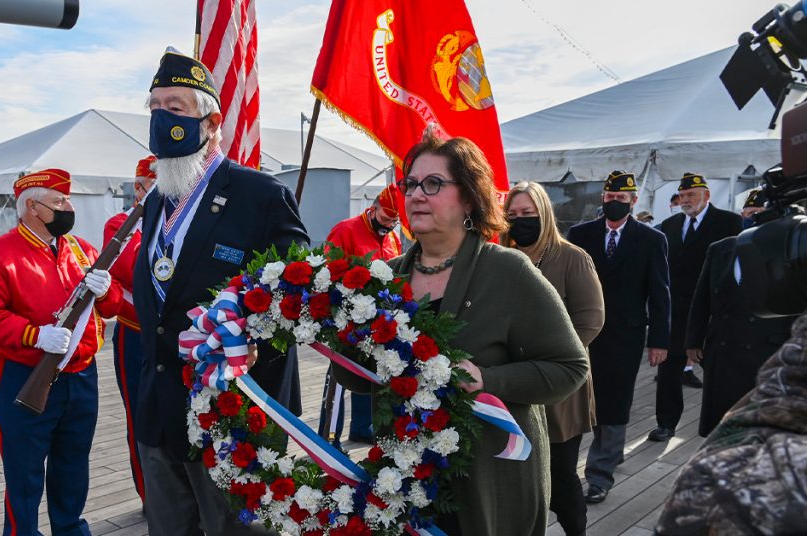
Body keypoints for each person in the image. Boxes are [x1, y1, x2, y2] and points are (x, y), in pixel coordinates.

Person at [338, 131, 589, 535]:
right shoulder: (385, 280)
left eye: (433, 183)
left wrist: (488, 380)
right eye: (410, 184)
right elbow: (356, 377)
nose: (416, 195)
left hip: (490, 484)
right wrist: (340, 333)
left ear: (470, 198)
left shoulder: (508, 271)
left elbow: (570, 367)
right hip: (404, 479)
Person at [131, 49, 309, 536]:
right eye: (154, 106)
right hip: (160, 416)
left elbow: (297, 295)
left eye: (176, 106)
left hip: (235, 418)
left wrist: (248, 339)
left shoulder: (261, 196)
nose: (161, 117)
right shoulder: (156, 203)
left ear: (210, 122)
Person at [0, 168, 123, 535]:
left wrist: (107, 289)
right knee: (24, 472)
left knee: (73, 463)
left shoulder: (83, 251)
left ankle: (70, 529)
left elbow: (112, 308)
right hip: (24, 374)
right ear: (31, 207)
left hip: (81, 374)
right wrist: (35, 335)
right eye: (58, 201)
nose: (67, 207)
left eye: (67, 200)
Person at [503, 181, 604, 536]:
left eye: (527, 214)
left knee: (560, 475)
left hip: (559, 388)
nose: (519, 221)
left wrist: (549, 362)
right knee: (518, 474)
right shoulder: (501, 258)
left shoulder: (572, 258)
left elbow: (591, 319)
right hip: (511, 385)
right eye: (512, 214)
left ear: (544, 213)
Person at [567, 170, 670, 504]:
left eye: (621, 199)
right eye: (609, 198)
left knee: (615, 401)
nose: (614, 203)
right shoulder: (580, 235)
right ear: (603, 199)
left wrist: (660, 339)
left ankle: (599, 475)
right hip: (583, 333)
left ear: (633, 201)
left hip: (626, 335)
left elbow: (660, 293)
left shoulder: (651, 240)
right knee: (581, 399)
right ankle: (595, 456)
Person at [656, 313, 807, 534]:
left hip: (764, 356)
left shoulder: (715, 483)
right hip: (732, 357)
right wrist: (694, 341)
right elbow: (703, 300)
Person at [684, 189, 793, 437]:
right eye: (749, 212)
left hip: (768, 352)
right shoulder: (721, 249)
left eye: (759, 213)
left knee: (759, 428)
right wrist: (693, 340)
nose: (752, 218)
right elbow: (701, 299)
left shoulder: (786, 252)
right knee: (721, 426)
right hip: (723, 350)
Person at [649, 172, 743, 442]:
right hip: (677, 314)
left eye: (692, 194)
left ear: (707, 195)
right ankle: (665, 423)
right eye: (682, 195)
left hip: (713, 314)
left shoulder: (729, 223)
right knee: (668, 374)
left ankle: (724, 427)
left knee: (719, 375)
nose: (686, 200)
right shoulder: (668, 226)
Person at [318, 183, 403, 447]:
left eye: (395, 221)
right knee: (340, 376)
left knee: (370, 373)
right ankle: (328, 436)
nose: (389, 225)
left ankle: (362, 428)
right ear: (374, 207)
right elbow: (328, 268)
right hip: (346, 318)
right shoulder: (346, 229)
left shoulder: (392, 238)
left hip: (377, 321)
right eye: (386, 218)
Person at [103, 155, 157, 508]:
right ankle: (151, 498)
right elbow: (139, 268)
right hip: (136, 333)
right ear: (139, 187)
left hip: (179, 337)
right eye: (155, 184)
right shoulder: (120, 224)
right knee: (140, 418)